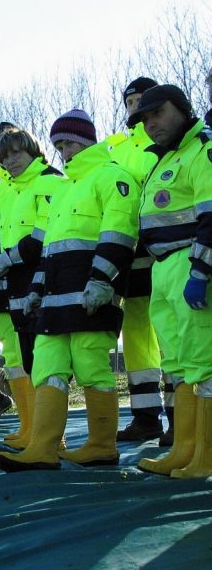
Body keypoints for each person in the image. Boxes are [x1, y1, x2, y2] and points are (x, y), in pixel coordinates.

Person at [0, 109, 139, 472]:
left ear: (88, 140)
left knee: (91, 366)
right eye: (59, 144)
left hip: (91, 293)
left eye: (70, 142)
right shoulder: (65, 189)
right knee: (47, 367)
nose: (65, 150)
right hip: (54, 299)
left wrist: (102, 280)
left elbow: (119, 234)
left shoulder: (111, 177)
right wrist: (36, 290)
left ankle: (101, 445)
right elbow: (50, 250)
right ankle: (43, 448)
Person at [128, 84, 212, 478]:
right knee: (177, 365)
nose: (150, 124)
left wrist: (201, 272)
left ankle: (206, 457)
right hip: (162, 270)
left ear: (181, 108)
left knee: (205, 364)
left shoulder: (202, 150)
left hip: (190, 263)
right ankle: (185, 448)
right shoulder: (161, 161)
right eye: (144, 119)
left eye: (157, 113)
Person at [0, 127, 63, 449]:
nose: (11, 161)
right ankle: (32, 430)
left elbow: (43, 236)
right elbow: (0, 235)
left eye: (16, 152)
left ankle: (49, 440)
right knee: (26, 359)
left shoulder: (51, 182)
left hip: (44, 280)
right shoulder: (5, 194)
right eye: (4, 156)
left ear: (32, 149)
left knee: (47, 362)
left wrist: (7, 257)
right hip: (14, 283)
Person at [106, 77, 167, 444]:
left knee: (171, 335)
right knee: (138, 338)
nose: (135, 107)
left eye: (142, 100)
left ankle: (181, 419)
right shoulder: (115, 147)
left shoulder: (168, 141)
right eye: (129, 102)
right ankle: (146, 417)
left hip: (167, 250)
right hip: (130, 254)